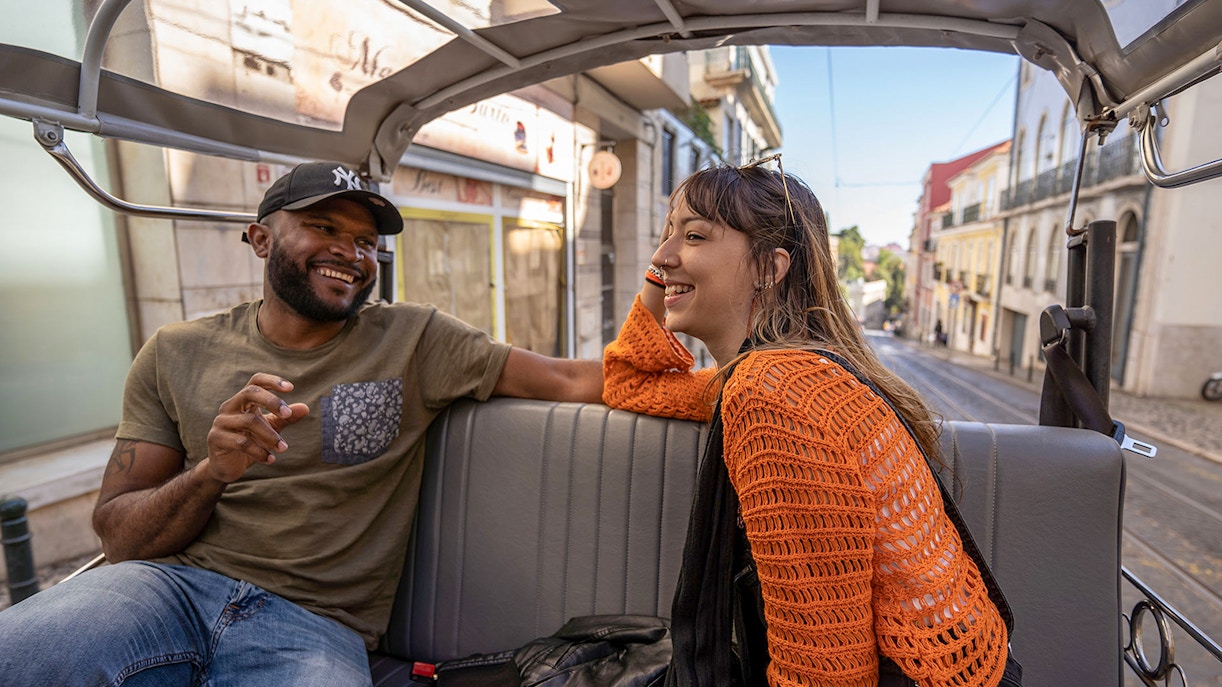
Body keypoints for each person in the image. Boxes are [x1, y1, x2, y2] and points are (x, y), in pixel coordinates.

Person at [0, 161, 603, 685]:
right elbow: (118, 539)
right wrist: (212, 473)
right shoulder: (174, 351)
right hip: (166, 592)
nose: (351, 251)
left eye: (366, 241)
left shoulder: (416, 339)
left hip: (314, 624)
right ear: (261, 239)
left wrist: (694, 350)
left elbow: (572, 381)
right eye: (324, 227)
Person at [602, 161, 1010, 686]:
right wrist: (666, 273)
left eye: (695, 235)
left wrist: (665, 272)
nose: (660, 258)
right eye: (665, 237)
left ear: (771, 269)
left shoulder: (772, 396)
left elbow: (827, 674)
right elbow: (630, 382)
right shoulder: (791, 372)